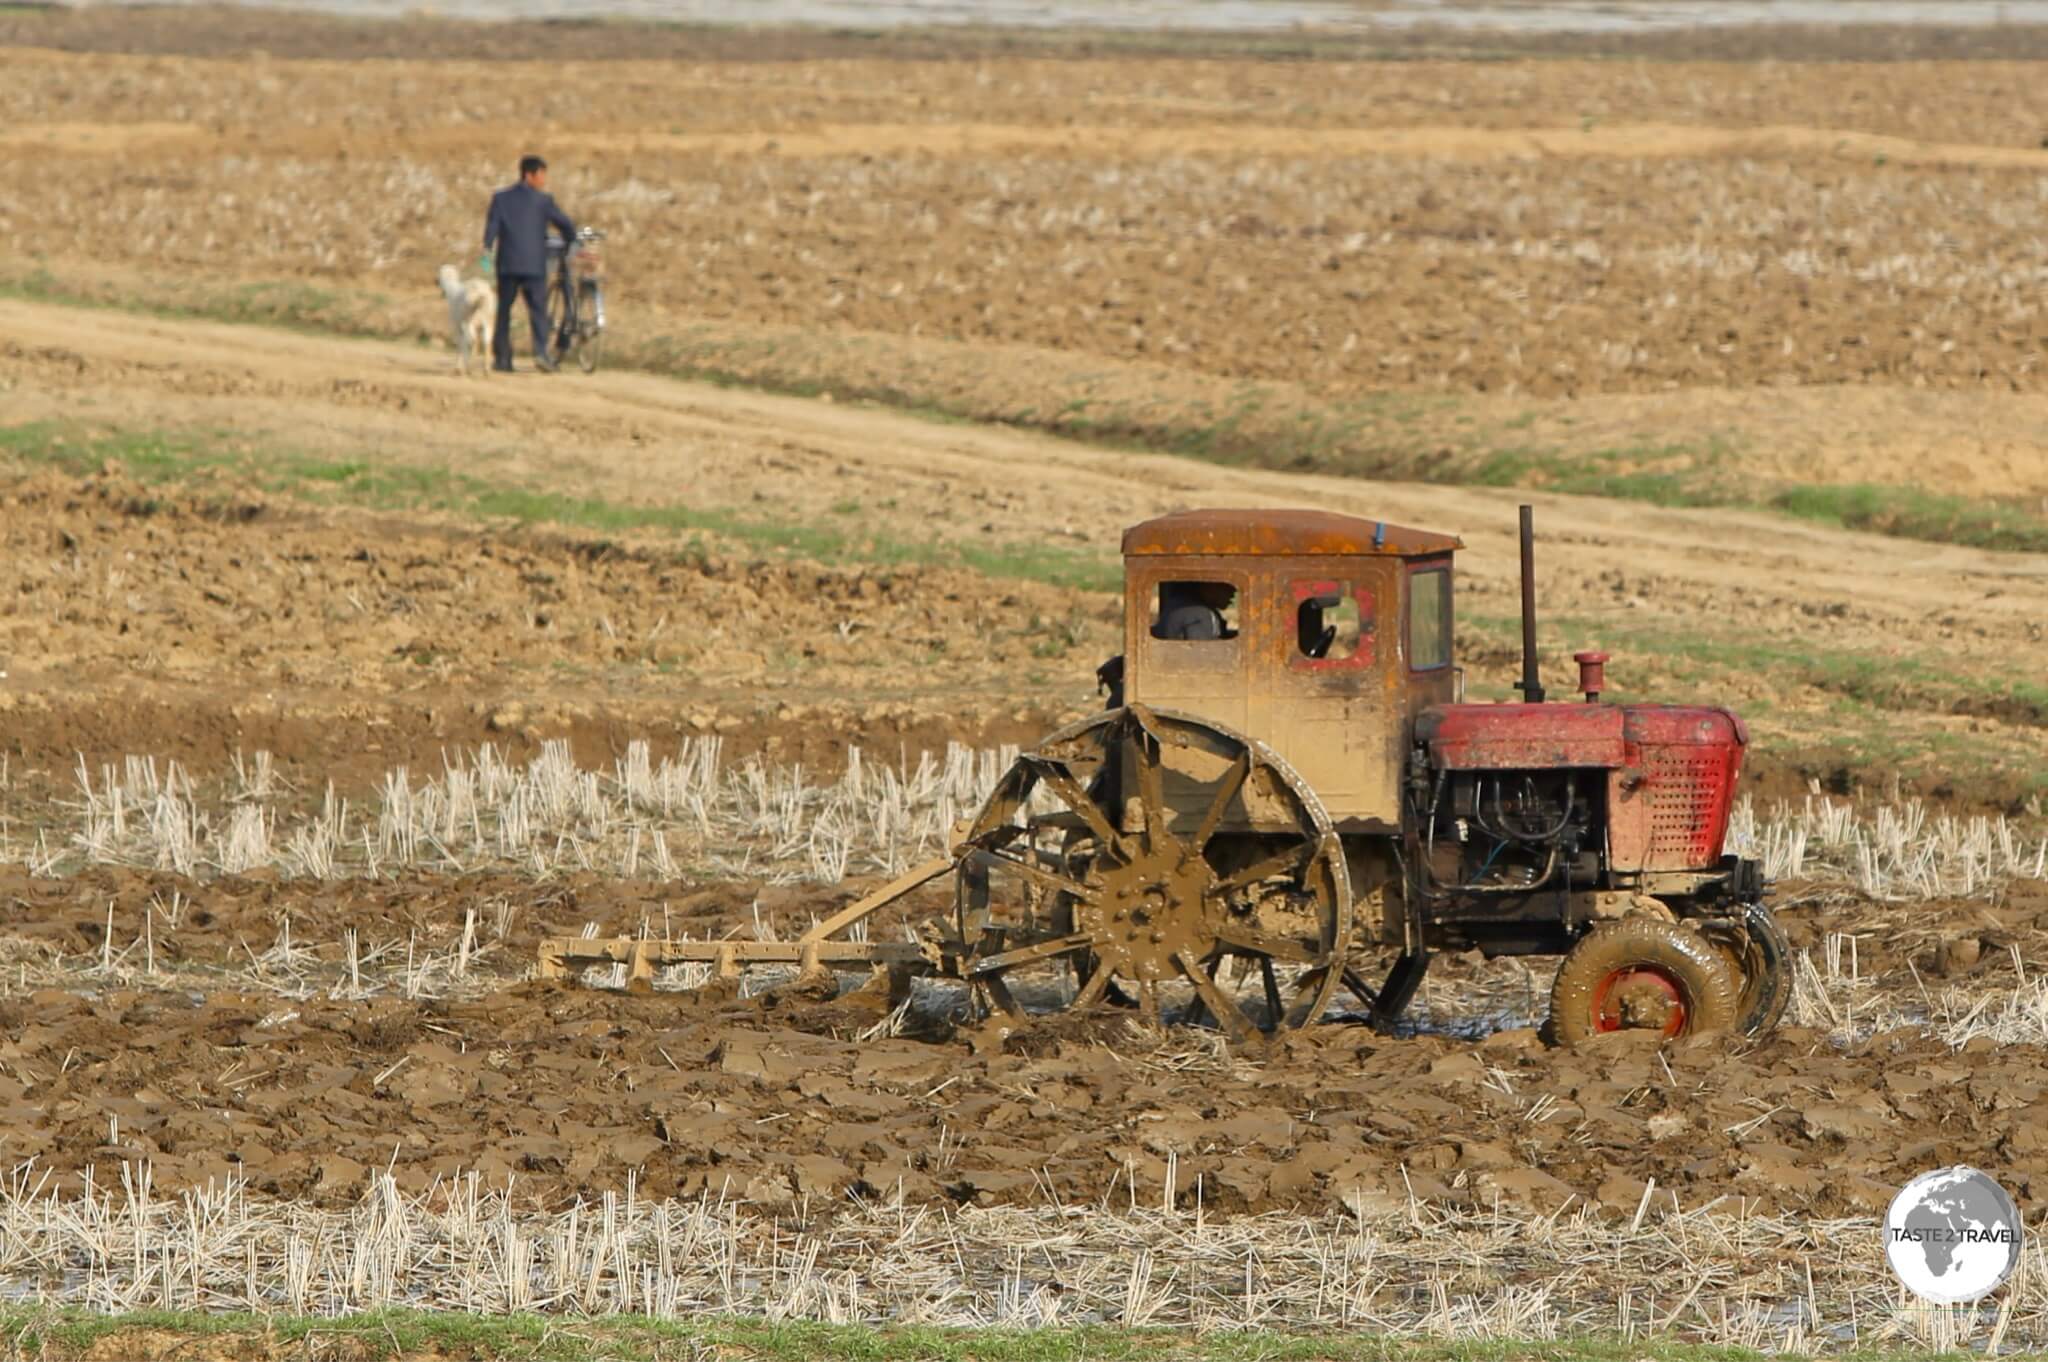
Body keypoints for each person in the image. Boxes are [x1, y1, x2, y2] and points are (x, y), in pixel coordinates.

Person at [483, 155, 576, 374]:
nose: (544, 180)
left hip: (507, 264)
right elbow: (564, 223)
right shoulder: (543, 201)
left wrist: (487, 249)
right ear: (529, 175)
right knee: (538, 311)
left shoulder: (501, 198)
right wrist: (571, 239)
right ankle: (541, 354)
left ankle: (503, 359)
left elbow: (492, 228)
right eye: (541, 175)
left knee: (504, 311)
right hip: (534, 265)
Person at [1152, 582, 1235, 640]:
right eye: (1227, 585)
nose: (1233, 591)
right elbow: (1200, 653)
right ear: (1210, 585)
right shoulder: (1199, 613)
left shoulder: (1178, 603)